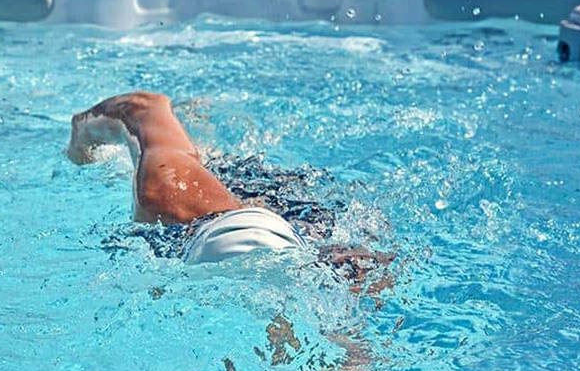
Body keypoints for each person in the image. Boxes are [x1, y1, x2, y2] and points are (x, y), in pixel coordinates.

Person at [67, 92, 395, 286]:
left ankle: (200, 135)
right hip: (293, 221)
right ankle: (196, 127)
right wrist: (81, 141)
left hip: (291, 219)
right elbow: (141, 106)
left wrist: (79, 147)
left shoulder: (165, 196)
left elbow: (140, 105)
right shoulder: (169, 190)